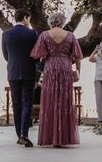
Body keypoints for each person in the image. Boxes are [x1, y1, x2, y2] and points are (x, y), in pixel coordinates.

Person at [30, 12, 83, 147]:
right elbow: (77, 56)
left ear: (51, 22)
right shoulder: (70, 36)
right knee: (65, 100)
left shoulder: (44, 35)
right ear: (63, 22)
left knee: (50, 100)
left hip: (50, 67)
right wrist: (77, 71)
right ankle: (64, 138)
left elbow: (36, 54)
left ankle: (50, 137)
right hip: (66, 67)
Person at [2, 8, 39, 147]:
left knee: (16, 104)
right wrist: (32, 63)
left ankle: (19, 135)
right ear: (24, 18)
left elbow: (6, 56)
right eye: (28, 19)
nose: (29, 22)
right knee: (27, 103)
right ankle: (24, 134)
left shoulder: (5, 34)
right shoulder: (32, 33)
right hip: (28, 72)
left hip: (12, 72)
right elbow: (37, 54)